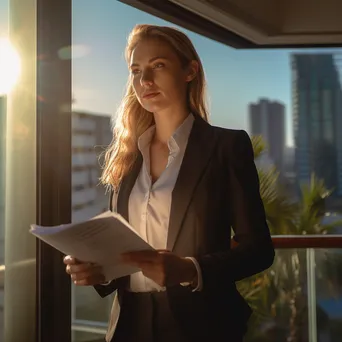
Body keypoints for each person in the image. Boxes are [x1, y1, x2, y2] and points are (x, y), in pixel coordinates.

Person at [64, 24, 275, 342]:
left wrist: (190, 269)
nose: (144, 81)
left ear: (190, 70)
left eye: (158, 66)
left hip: (201, 324)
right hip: (128, 324)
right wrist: (96, 269)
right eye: (136, 70)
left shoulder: (226, 147)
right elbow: (122, 251)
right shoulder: (128, 155)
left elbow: (259, 250)